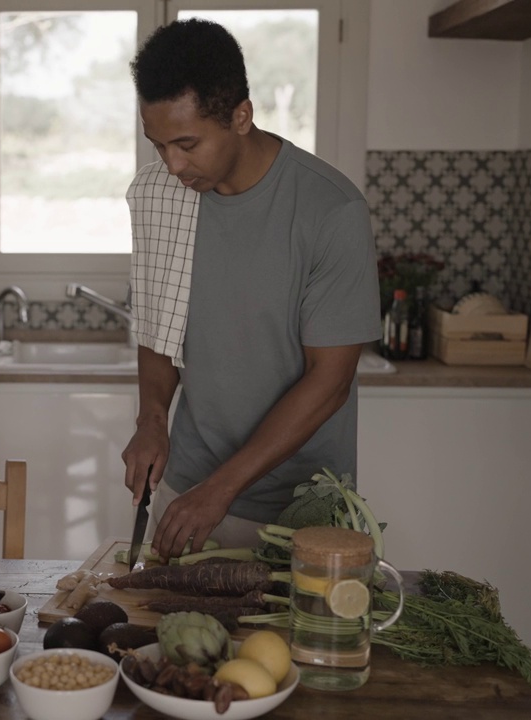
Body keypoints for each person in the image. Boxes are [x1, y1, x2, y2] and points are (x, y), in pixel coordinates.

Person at [122, 19, 380, 560]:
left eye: (187, 144)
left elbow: (330, 382)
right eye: (157, 144)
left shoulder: (330, 211)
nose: (171, 165)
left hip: (301, 511)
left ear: (242, 116)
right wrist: (151, 418)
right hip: (188, 487)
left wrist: (220, 490)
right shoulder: (160, 197)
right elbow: (159, 322)